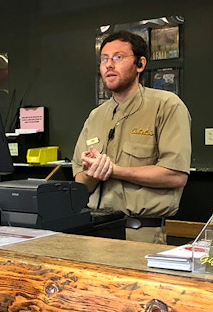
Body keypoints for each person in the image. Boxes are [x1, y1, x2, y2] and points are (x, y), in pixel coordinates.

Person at [72, 30, 191, 243]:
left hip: (141, 235)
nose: (109, 65)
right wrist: (93, 172)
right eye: (104, 59)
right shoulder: (96, 116)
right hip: (95, 234)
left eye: (118, 57)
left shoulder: (166, 106)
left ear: (140, 64)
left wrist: (115, 171)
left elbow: (176, 175)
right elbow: (80, 183)